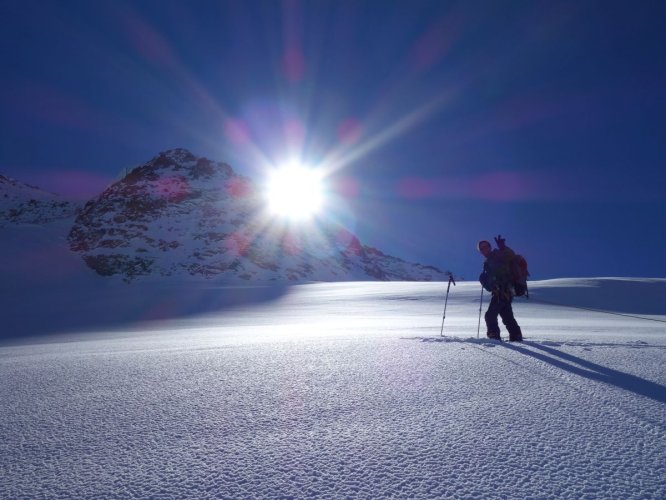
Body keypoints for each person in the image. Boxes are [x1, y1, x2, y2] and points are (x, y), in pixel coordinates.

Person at [477, 235, 523, 341]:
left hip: (502, 290)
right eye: (482, 248)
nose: (484, 249)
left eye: (485, 246)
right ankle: (516, 336)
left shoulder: (498, 254)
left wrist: (503, 247)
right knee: (507, 317)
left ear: (490, 247)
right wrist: (484, 280)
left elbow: (510, 256)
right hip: (503, 292)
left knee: (490, 315)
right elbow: (490, 285)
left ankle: (494, 335)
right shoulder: (487, 262)